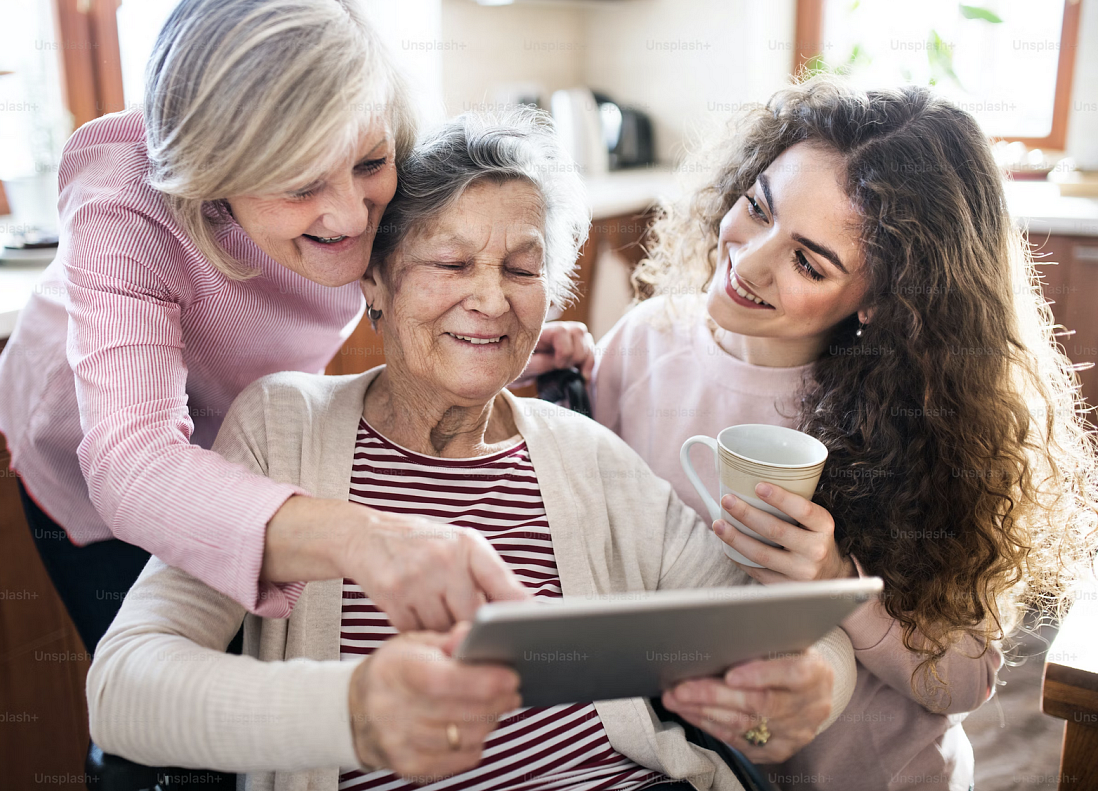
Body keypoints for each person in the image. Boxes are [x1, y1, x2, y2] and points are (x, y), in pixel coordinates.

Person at [86, 110, 860, 791]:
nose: (491, 299)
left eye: (522, 269)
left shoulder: (590, 458)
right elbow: (122, 690)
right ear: (376, 282)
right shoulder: (284, 428)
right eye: (451, 264)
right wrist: (352, 710)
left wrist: (813, 681)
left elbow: (791, 629)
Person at [0, 0, 591, 656]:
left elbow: (427, 284)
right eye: (301, 184)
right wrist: (366, 537)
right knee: (170, 699)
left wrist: (482, 344)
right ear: (216, 175)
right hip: (92, 456)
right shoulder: (123, 199)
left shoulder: (379, 139)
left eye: (367, 164)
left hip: (244, 426)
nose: (353, 216)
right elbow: (133, 463)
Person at [591, 78, 1098, 790]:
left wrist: (837, 582)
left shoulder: (930, 422)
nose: (749, 260)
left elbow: (962, 681)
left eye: (807, 260)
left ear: (884, 301)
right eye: (758, 206)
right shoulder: (643, 344)